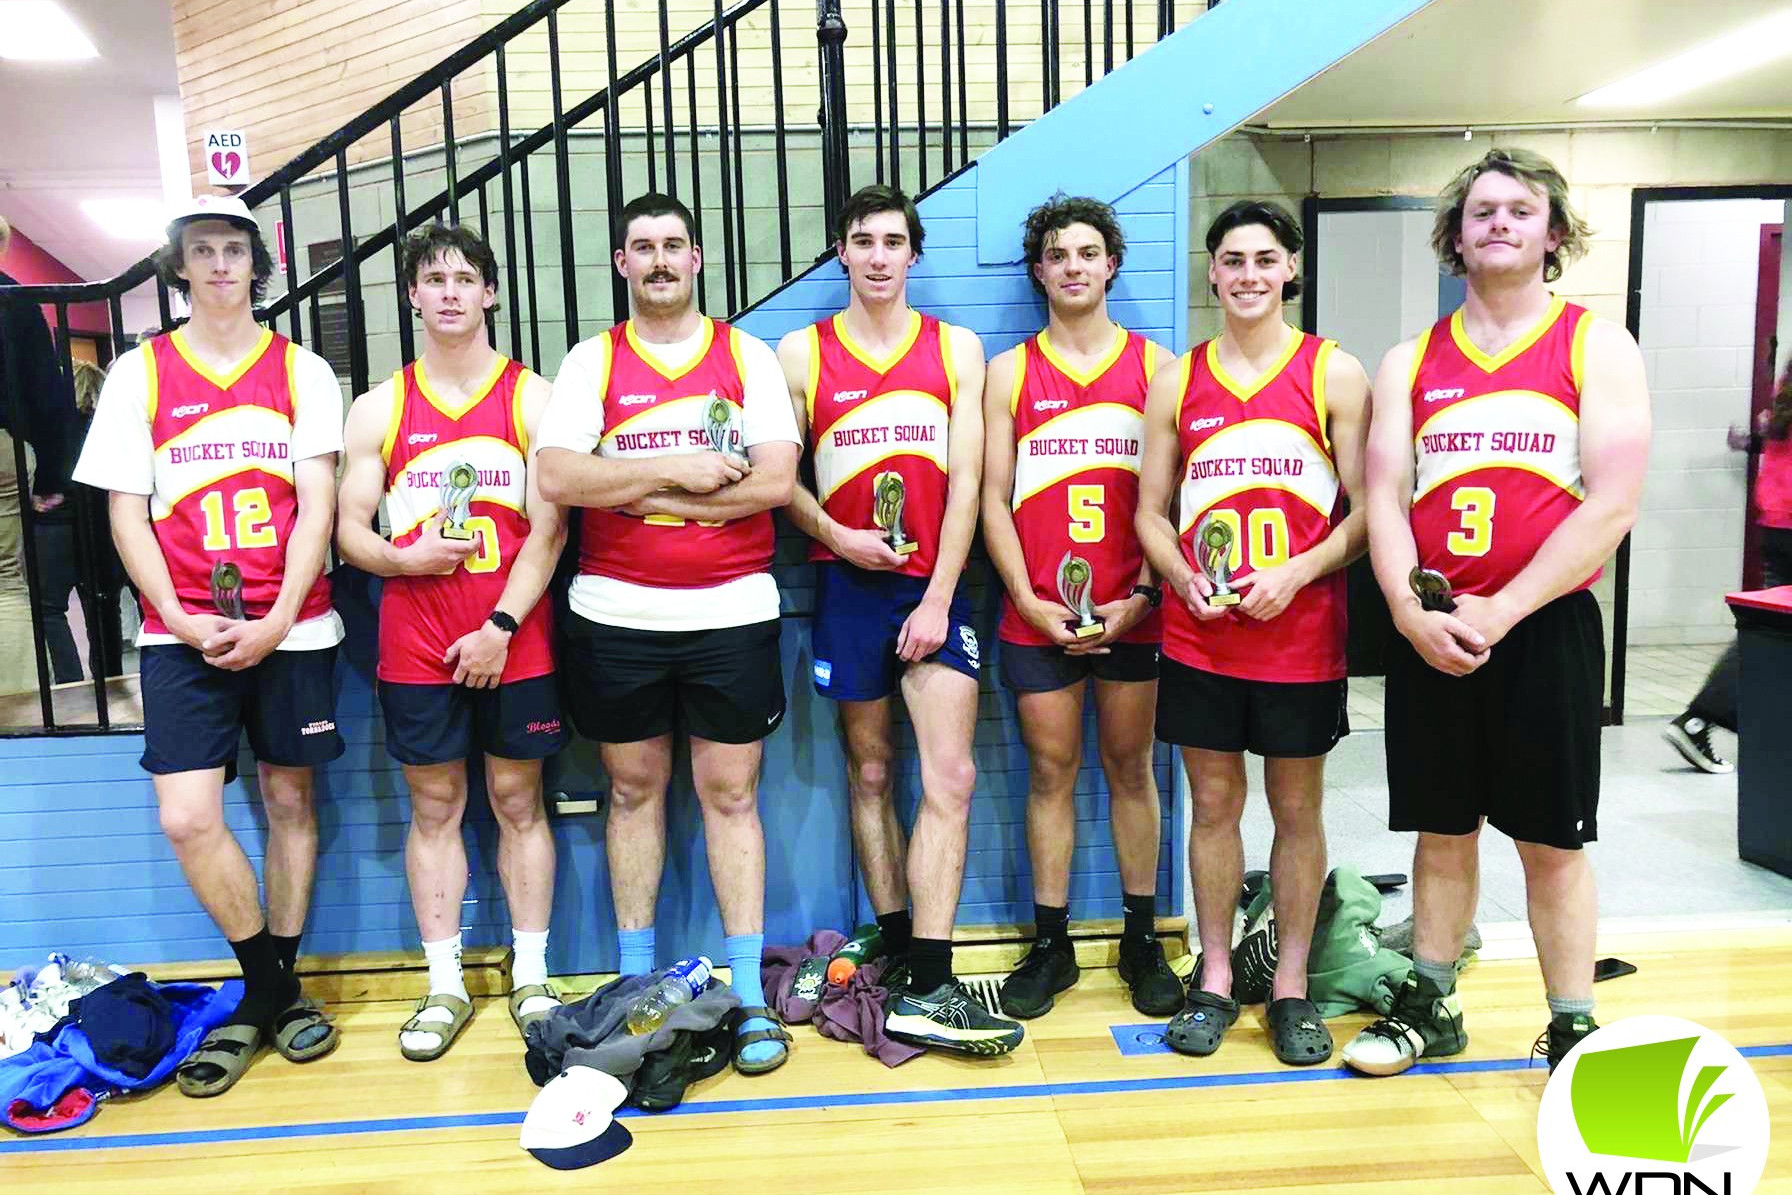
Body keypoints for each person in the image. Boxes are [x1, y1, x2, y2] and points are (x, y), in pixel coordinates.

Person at [1343, 148, 1650, 1076]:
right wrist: (1404, 607)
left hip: (1542, 627)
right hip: (1435, 627)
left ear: (1554, 233)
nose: (1500, 223)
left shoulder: (1596, 344)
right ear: (1456, 236)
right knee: (1442, 829)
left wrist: (1505, 609)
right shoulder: (1411, 360)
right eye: (1482, 211)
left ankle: (1571, 1023)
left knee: (1551, 838)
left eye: (1521, 210)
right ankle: (1431, 1003)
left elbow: (1611, 502)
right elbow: (1386, 497)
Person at [71, 194, 347, 1095]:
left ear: (255, 264)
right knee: (188, 815)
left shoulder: (302, 371)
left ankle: (268, 992)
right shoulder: (137, 374)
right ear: (179, 266)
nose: (221, 263)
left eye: (235, 248)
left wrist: (276, 619)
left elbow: (316, 509)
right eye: (203, 250)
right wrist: (182, 618)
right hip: (179, 629)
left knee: (289, 802)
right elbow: (126, 511)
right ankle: (271, 988)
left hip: (293, 624)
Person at [535, 193, 798, 1076]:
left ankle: (752, 994)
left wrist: (640, 496)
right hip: (617, 614)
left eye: (673, 245)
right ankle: (636, 985)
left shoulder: (746, 356)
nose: (657, 259)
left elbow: (772, 483)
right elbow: (559, 472)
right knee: (633, 792)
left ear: (696, 259)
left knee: (731, 796)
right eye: (641, 247)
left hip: (731, 611)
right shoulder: (589, 361)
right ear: (621, 263)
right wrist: (669, 469)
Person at [779, 183, 1023, 1056]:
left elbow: (966, 486)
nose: (878, 255)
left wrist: (934, 595)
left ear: (913, 255)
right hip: (845, 584)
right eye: (862, 240)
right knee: (872, 773)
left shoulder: (956, 348)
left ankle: (931, 975)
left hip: (934, 585)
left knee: (948, 776)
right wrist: (838, 534)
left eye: (893, 241)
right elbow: (782, 481)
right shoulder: (801, 354)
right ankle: (890, 931)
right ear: (841, 253)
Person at [1135, 200, 1370, 1065]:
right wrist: (1177, 574)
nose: (1247, 275)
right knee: (1215, 805)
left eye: (1264, 260)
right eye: (1231, 260)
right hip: (1201, 635)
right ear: (1211, 272)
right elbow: (1149, 515)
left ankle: (1294, 988)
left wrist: (1298, 571)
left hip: (1300, 636)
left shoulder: (1334, 374)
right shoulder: (1178, 379)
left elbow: (1367, 515)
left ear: (1290, 270)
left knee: (1297, 808)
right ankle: (1218, 976)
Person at [336, 223, 568, 1060]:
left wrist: (500, 626)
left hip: (516, 638)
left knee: (518, 802)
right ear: (412, 296)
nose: (449, 292)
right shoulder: (380, 407)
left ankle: (532, 973)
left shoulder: (531, 397)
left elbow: (550, 532)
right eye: (432, 279)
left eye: (465, 278)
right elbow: (348, 532)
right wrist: (402, 557)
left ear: (491, 292)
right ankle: (443, 985)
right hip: (417, 642)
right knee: (434, 807)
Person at [980, 194, 1181, 1020]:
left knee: (1134, 768)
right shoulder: (1010, 372)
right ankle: (1051, 941)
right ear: (1040, 270)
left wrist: (1141, 593)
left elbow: (1173, 500)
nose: (1073, 266)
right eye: (1058, 254)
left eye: (1087, 252)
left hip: (1136, 607)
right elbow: (992, 499)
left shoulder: (1159, 369)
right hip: (1038, 613)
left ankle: (1141, 937)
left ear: (1111, 265)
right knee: (1051, 773)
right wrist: (1027, 597)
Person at [1662, 367, 1792, 773]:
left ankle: (1708, 719)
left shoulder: (1785, 397)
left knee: (1777, 635)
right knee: (1772, 637)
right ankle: (1700, 717)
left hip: (1776, 526)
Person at [0, 212, 80, 697]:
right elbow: (46, 392)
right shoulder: (15, 301)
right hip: (3, 445)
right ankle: (13, 708)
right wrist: (52, 476)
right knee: (6, 582)